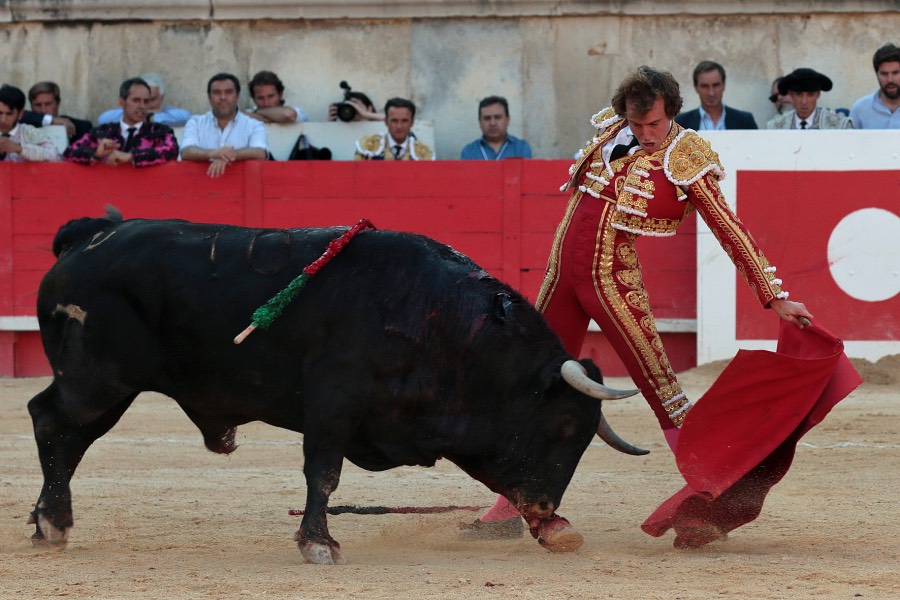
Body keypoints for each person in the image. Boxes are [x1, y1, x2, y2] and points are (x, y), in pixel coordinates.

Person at [460, 65, 813, 547]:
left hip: (611, 281)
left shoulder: (686, 156)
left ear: (672, 114)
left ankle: (709, 503)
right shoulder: (611, 128)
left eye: (655, 125)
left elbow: (728, 227)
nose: (646, 136)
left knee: (662, 389)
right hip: (561, 276)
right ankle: (509, 507)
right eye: (638, 124)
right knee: (530, 384)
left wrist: (774, 295)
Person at [64, 77, 178, 168]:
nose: (142, 106)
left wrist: (131, 156)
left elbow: (172, 151)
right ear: (122, 102)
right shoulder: (103, 131)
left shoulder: (161, 131)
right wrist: (96, 153)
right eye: (136, 100)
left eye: (146, 101)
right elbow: (69, 152)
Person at [180, 72, 268, 178]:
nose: (223, 97)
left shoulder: (254, 125)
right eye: (217, 92)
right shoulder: (195, 123)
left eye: (229, 92)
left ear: (238, 96)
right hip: (199, 187)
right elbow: (186, 152)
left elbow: (259, 152)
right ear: (209, 97)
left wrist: (226, 156)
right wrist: (214, 153)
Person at [675, 61, 758, 130]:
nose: (711, 92)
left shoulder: (744, 120)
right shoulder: (681, 122)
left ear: (724, 85)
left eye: (716, 85)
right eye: (705, 86)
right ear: (696, 87)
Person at [766, 68, 852, 129]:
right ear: (791, 95)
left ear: (818, 95)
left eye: (810, 95)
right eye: (799, 94)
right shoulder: (775, 126)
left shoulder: (839, 125)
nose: (804, 101)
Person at [354, 97, 434, 160]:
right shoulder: (368, 148)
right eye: (394, 121)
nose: (399, 126)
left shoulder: (423, 154)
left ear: (412, 122)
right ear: (386, 121)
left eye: (404, 121)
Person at [98, 73, 190, 127]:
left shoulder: (167, 112)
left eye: (151, 100)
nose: (145, 105)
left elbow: (186, 116)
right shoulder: (128, 109)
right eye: (137, 100)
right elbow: (103, 119)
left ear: (161, 98)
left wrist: (153, 117)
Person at [0, 85, 61, 162]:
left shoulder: (30, 132)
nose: (3, 120)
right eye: (0, 113)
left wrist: (19, 149)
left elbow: (55, 156)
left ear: (20, 114)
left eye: (9, 114)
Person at [460, 95, 533, 160]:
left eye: (498, 117)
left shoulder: (521, 148)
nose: (492, 123)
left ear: (507, 120)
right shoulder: (469, 152)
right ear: (480, 122)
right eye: (487, 118)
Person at [849, 43, 900, 129]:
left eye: (895, 73)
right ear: (877, 74)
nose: (890, 79)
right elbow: (848, 141)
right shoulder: (860, 109)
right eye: (884, 74)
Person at [24, 81, 93, 143]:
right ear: (31, 105)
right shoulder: (23, 125)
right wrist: (51, 120)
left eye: (48, 104)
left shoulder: (81, 127)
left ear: (58, 103)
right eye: (38, 105)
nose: (43, 110)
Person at [244, 70, 309, 124]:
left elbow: (288, 115)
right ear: (254, 99)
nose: (266, 103)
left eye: (270, 96)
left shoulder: (298, 112)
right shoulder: (248, 113)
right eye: (260, 98)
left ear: (280, 95)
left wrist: (257, 113)